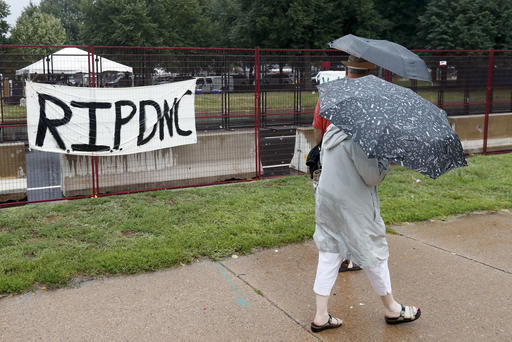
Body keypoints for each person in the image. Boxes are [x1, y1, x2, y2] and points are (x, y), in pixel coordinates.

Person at [310, 55, 421, 333]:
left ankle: (321, 315)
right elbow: (371, 176)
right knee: (372, 251)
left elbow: (321, 146)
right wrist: (386, 162)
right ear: (370, 76)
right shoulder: (361, 133)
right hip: (353, 203)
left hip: (328, 198)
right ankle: (392, 309)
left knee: (329, 252)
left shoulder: (336, 122)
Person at [311, 71, 361, 274]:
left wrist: (323, 149)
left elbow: (317, 131)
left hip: (327, 163)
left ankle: (333, 256)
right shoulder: (359, 104)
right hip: (352, 165)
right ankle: (347, 257)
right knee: (350, 210)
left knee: (328, 210)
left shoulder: (325, 100)